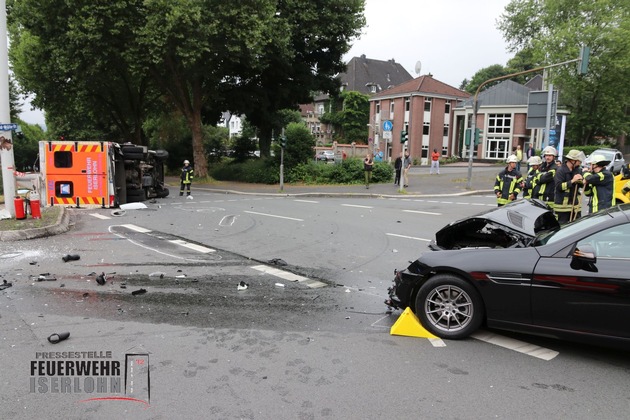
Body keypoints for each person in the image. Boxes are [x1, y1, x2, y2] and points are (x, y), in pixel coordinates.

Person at [554, 149, 585, 224]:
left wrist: (582, 181)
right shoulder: (560, 170)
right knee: (562, 228)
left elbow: (581, 185)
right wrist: (572, 181)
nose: (580, 163)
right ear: (572, 160)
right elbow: (559, 187)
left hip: (575, 206)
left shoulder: (578, 170)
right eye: (578, 161)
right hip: (563, 207)